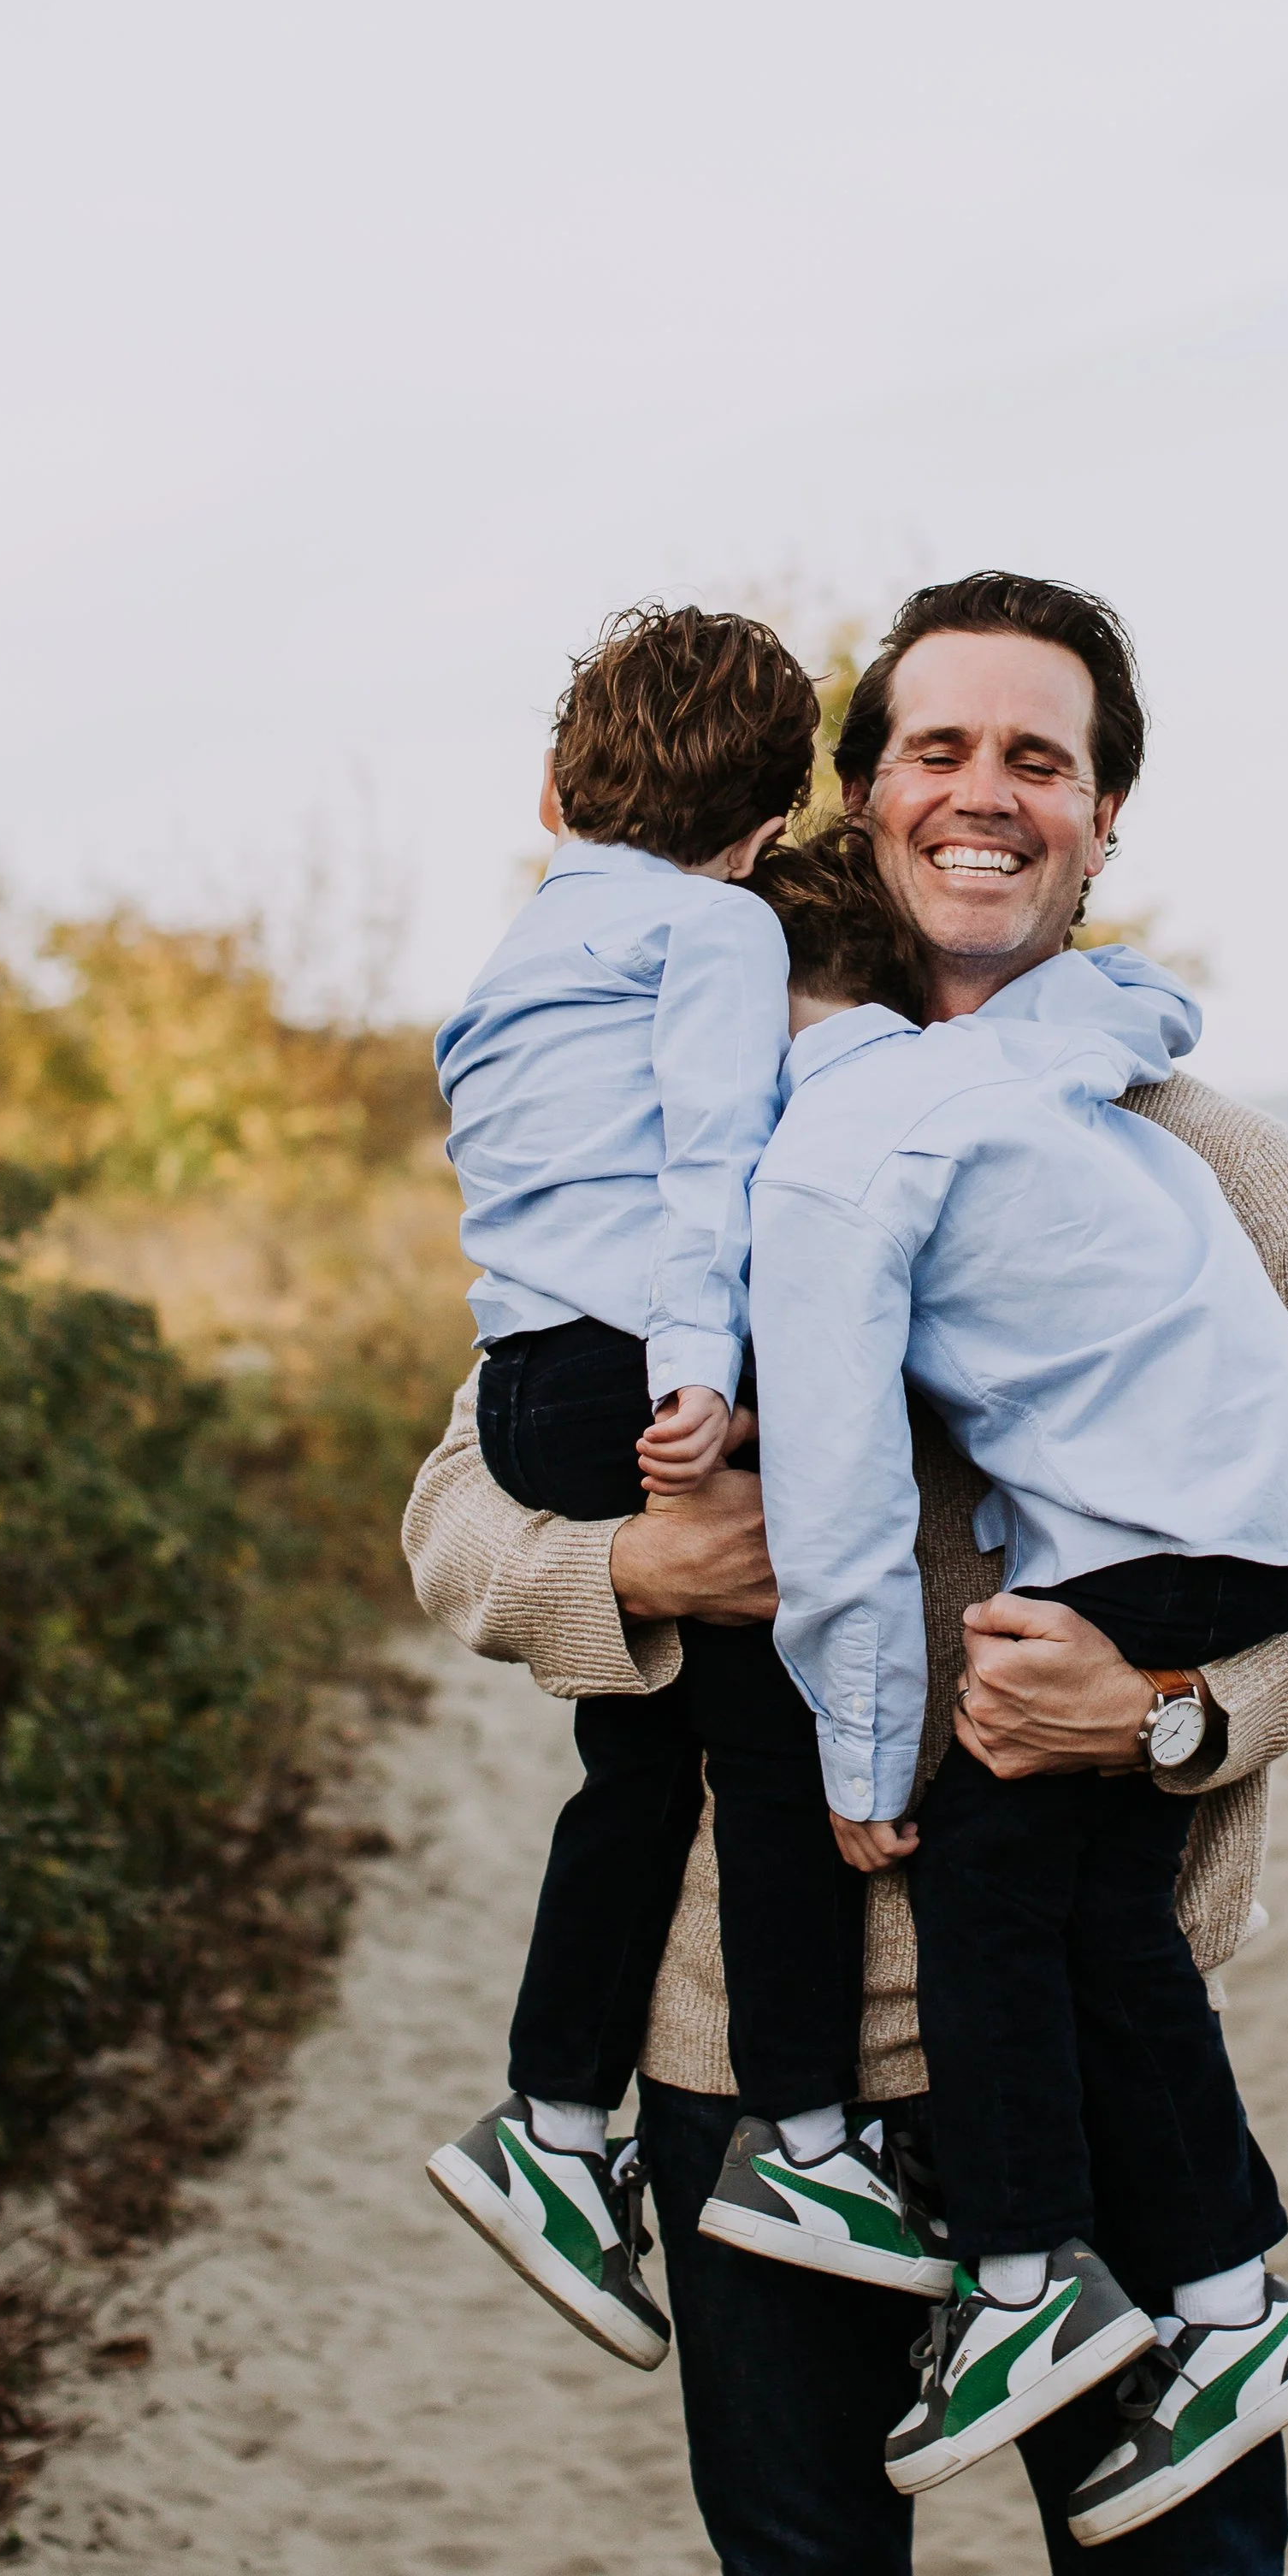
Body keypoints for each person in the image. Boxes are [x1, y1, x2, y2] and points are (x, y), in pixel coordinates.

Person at [405, 571, 1288, 2576]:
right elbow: (458, 1516)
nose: (985, 794)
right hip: (743, 2063)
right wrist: (638, 1560)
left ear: (1103, 816)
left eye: (1037, 758)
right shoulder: (668, 1134)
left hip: (1088, 2026)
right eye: (935, 749)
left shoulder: (1211, 1157)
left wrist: (1160, 1707)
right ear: (845, 801)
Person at [720, 835, 1288, 2538]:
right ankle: (1226, 2313)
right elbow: (1129, 997)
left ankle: (1024, 2280)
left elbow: (843, 1513)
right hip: (1255, 1510)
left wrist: (863, 1753)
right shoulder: (1010, 1049)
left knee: (987, 1880)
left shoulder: (819, 1161)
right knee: (1097, 1910)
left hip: (1167, 1543)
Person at [422, 605, 949, 2377]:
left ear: (556, 781)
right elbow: (710, 1161)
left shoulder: (513, 951)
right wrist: (701, 1386)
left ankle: (554, 2127)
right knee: (777, 1746)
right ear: (759, 833)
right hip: (638, 1367)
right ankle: (808, 2141)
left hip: (523, 1380)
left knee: (637, 1768)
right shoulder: (720, 926)